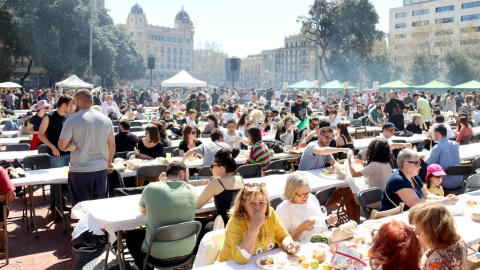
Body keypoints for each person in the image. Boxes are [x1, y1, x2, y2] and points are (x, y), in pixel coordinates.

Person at [59, 89, 115, 252]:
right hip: (100, 168)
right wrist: (109, 162)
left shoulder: (72, 120)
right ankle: (102, 237)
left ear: (80, 101)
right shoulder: (105, 119)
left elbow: (62, 145)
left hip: (81, 170)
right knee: (99, 205)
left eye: (75, 102)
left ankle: (89, 242)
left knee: (83, 205)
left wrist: (74, 145)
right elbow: (111, 145)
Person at [126, 161, 196, 270]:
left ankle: (142, 266)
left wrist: (161, 184)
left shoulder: (150, 188)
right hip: (186, 252)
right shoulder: (192, 190)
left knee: (131, 236)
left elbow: (142, 210)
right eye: (188, 175)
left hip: (157, 255)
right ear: (181, 174)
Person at [216, 183, 300, 263]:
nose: (257, 208)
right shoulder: (236, 221)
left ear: (267, 203)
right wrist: (254, 227)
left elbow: (282, 236)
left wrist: (289, 246)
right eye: (252, 203)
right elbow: (241, 258)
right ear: (243, 204)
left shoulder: (270, 214)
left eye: (261, 203)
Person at [379, 149, 458, 211]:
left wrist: (445, 199)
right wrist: (442, 202)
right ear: (406, 164)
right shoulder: (398, 180)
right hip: (391, 219)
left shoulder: (414, 176)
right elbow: (415, 204)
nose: (420, 167)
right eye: (417, 164)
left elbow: (426, 195)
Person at [37, 95, 75, 214]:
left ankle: (61, 203)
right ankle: (54, 207)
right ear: (64, 105)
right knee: (56, 182)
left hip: (68, 153)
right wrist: (53, 147)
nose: (71, 108)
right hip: (56, 155)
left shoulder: (66, 117)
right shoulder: (49, 116)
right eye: (70, 106)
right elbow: (40, 134)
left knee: (66, 180)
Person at [276, 172, 337, 242]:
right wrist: (301, 228)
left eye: (308, 192)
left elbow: (318, 222)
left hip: (322, 241)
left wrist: (327, 221)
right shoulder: (283, 209)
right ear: (291, 193)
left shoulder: (312, 198)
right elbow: (283, 241)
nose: (306, 197)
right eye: (302, 194)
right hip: (300, 247)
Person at [408, 202, 468, 270]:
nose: (415, 233)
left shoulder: (436, 261)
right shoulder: (459, 242)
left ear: (432, 233)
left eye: (419, 230)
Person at [196, 149, 243, 226]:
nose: (210, 169)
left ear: (221, 168)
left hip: (223, 227)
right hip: (239, 225)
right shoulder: (241, 180)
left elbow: (197, 205)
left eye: (212, 166)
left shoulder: (216, 183)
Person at [426, 125, 462, 189]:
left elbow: (430, 164)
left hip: (445, 182)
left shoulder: (437, 147)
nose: (432, 135)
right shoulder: (455, 144)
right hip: (459, 180)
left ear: (438, 133)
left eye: (433, 134)